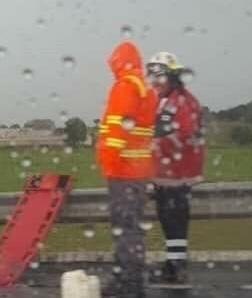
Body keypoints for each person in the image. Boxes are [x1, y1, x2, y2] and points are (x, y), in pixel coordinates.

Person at [96, 41, 157, 298]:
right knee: (130, 228)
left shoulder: (125, 87)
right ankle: (129, 280)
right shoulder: (146, 89)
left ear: (120, 61)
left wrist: (107, 163)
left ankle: (129, 284)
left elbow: (116, 133)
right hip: (139, 170)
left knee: (125, 228)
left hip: (123, 171)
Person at [146, 52, 205, 285]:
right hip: (166, 174)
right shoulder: (167, 100)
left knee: (175, 220)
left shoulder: (182, 101)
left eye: (157, 75)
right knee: (169, 219)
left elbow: (185, 133)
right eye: (151, 75)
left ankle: (177, 268)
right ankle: (173, 266)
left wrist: (156, 144)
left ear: (171, 76)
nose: (153, 81)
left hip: (179, 173)